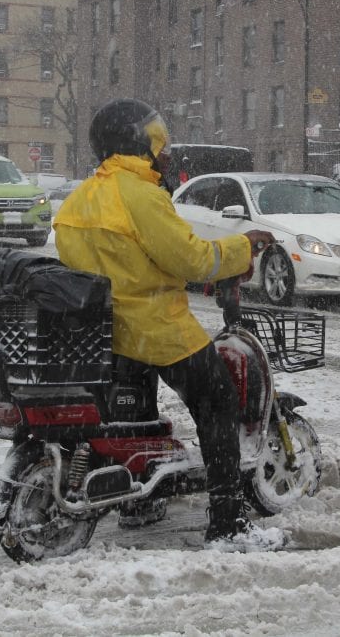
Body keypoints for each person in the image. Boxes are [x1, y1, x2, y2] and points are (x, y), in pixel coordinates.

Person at [53, 98, 280, 549]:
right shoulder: (141, 196)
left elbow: (123, 259)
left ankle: (138, 502)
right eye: (159, 139)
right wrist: (241, 248)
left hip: (107, 333)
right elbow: (191, 258)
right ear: (139, 141)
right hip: (155, 328)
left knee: (137, 417)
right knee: (217, 400)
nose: (167, 149)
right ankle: (227, 522)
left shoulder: (81, 199)